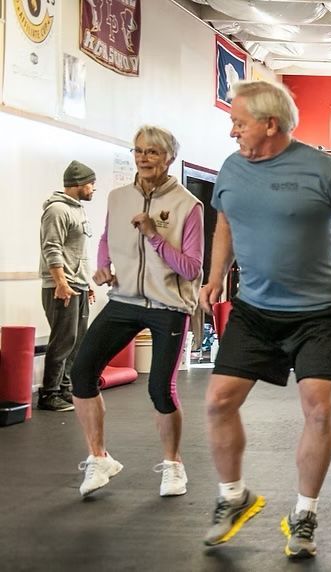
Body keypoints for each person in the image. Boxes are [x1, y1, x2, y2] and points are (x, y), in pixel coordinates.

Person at [200, 80, 331, 559]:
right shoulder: (232, 168)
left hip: (318, 313)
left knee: (318, 408)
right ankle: (233, 497)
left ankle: (304, 514)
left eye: (238, 122)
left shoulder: (321, 168)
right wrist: (215, 275)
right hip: (255, 310)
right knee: (219, 402)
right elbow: (223, 221)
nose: (232, 130)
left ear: (269, 124)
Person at [70, 125, 203, 498]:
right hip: (124, 300)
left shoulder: (188, 206)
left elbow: (192, 268)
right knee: (81, 374)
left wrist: (153, 235)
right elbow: (107, 238)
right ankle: (99, 458)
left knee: (160, 388)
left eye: (153, 153)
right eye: (139, 151)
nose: (143, 158)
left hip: (169, 306)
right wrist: (103, 265)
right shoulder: (117, 197)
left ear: (169, 158)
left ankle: (174, 466)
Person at [38, 161, 97, 412]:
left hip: (79, 284)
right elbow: (52, 247)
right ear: (79, 184)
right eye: (91, 184)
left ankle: (64, 388)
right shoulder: (57, 210)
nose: (94, 189)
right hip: (62, 285)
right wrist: (61, 282)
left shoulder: (79, 210)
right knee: (63, 340)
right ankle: (49, 394)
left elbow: (77, 251)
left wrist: (88, 282)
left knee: (78, 340)